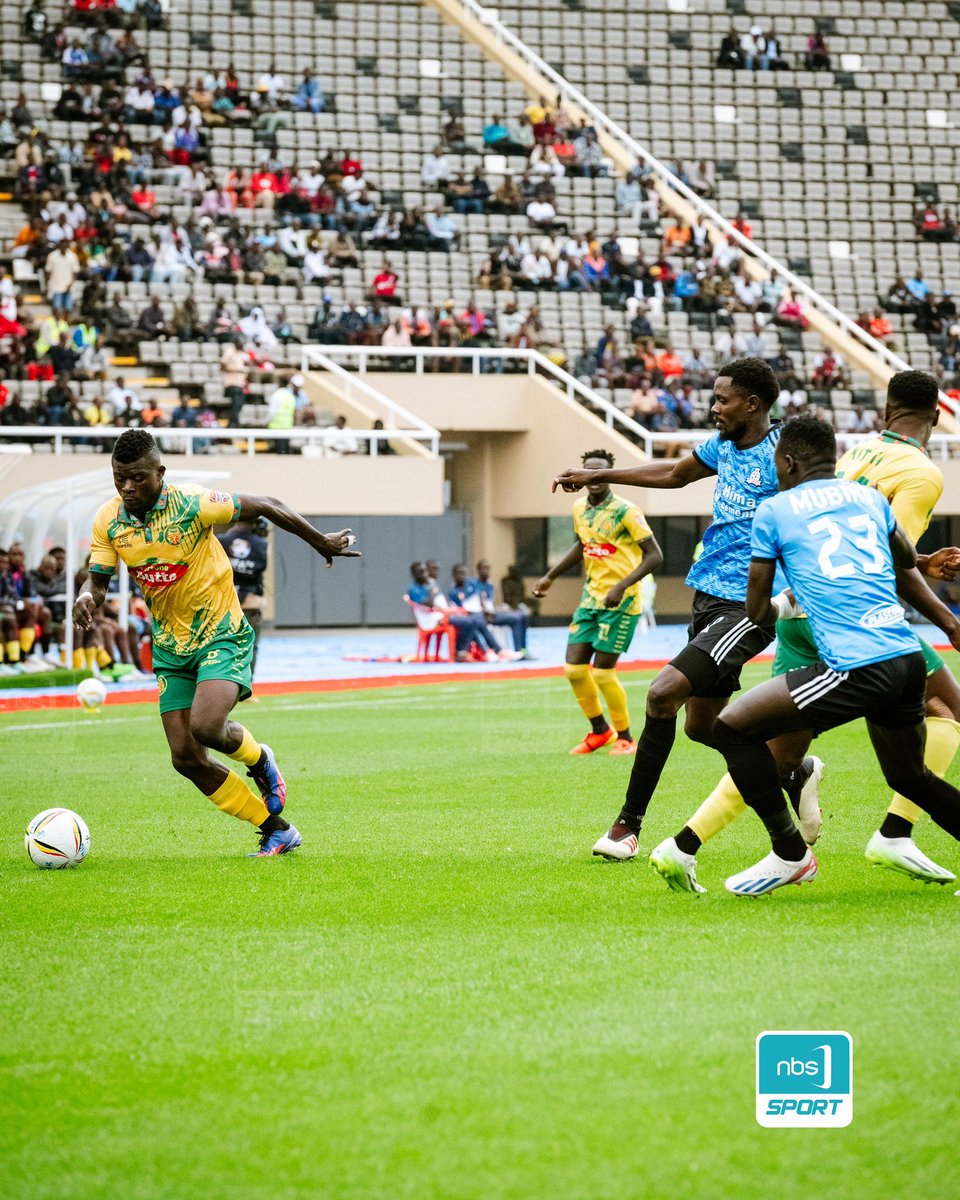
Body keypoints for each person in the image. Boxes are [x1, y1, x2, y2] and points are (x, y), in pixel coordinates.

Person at [650, 370, 960, 891]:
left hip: (853, 663)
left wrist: (782, 609)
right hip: (905, 655)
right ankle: (869, 833)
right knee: (911, 777)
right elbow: (903, 559)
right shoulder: (869, 500)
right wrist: (946, 615)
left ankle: (789, 852)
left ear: (787, 462)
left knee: (730, 728)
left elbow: (756, 609)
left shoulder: (774, 510)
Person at [73, 429, 360, 857]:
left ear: (160, 472)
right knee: (185, 757)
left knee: (206, 727)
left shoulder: (194, 503)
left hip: (221, 631)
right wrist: (85, 596)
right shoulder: (108, 520)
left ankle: (259, 759)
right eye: (119, 478)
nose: (127, 487)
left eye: (136, 478)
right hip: (171, 647)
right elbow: (98, 580)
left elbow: (268, 504)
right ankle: (275, 829)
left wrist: (319, 540)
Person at [553, 359, 785, 856]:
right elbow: (676, 474)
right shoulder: (722, 446)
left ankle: (626, 827)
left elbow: (828, 510)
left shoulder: (784, 453)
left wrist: (912, 559)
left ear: (753, 404)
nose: (713, 407)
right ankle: (793, 771)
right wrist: (600, 473)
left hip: (750, 603)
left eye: (722, 399)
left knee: (662, 694)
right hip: (709, 596)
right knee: (705, 727)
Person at [536, 448, 662, 756]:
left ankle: (626, 737)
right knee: (574, 670)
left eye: (599, 471)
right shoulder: (580, 508)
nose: (593, 477)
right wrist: (550, 576)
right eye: (588, 470)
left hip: (621, 602)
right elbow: (582, 544)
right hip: (591, 599)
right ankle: (599, 731)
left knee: (604, 673)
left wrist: (623, 584)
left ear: (607, 474)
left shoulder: (626, 511)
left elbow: (656, 555)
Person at [218, 516, 269, 681]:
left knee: (222, 646)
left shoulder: (221, 540)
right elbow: (259, 568)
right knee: (249, 646)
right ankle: (246, 684)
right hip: (250, 602)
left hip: (222, 602)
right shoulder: (260, 544)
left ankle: (221, 682)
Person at [467, 559, 530, 656]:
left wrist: (506, 609)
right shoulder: (472, 584)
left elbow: (494, 604)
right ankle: (518, 651)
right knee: (515, 618)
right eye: (484, 568)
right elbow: (475, 603)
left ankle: (523, 650)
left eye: (488, 568)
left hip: (492, 613)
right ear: (478, 570)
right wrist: (486, 611)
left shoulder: (490, 585)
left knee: (522, 616)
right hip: (482, 615)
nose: (486, 571)